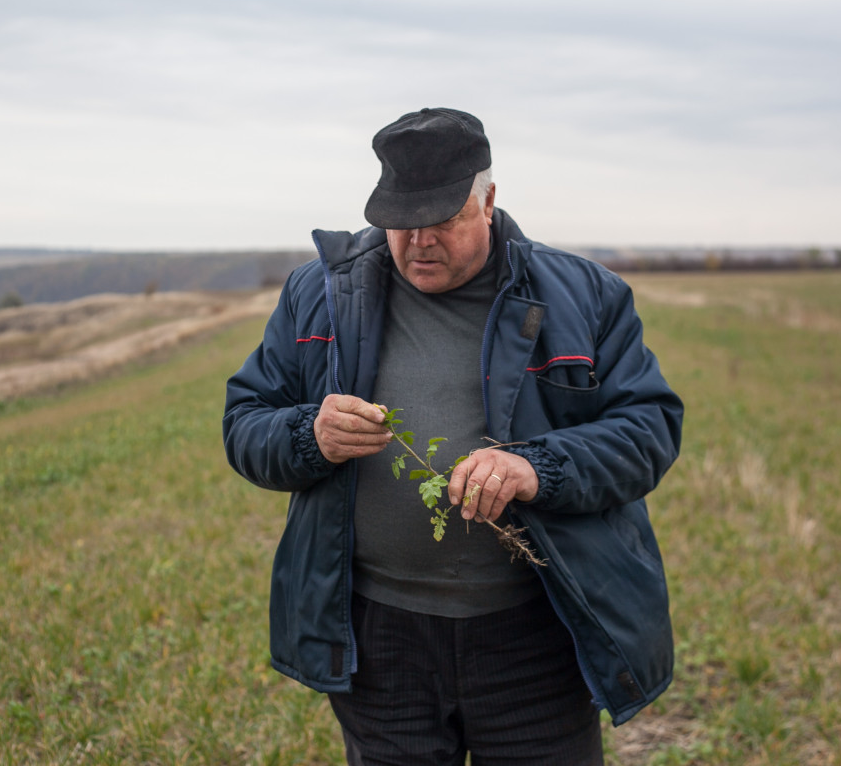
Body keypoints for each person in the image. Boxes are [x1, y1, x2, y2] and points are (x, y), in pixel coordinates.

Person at [223, 108, 683, 765]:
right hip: (380, 642)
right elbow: (244, 424)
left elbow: (650, 429)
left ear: (488, 200)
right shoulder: (318, 296)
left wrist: (535, 469)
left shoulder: (584, 297)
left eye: (441, 220)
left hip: (535, 632)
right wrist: (308, 433)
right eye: (401, 225)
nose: (419, 243)